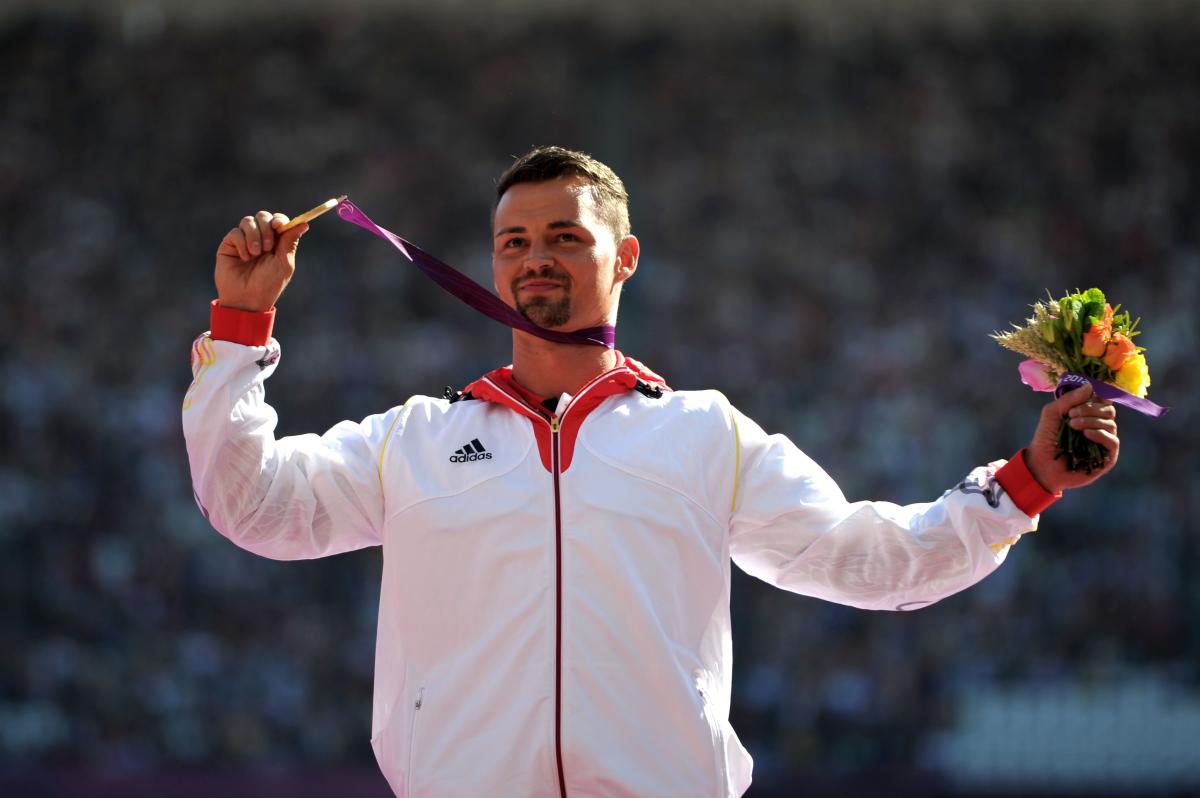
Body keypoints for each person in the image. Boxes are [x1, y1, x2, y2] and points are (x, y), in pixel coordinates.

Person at [183, 146, 1119, 798]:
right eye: (514, 241)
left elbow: (872, 560)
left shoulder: (705, 437)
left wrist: (1027, 479)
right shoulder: (413, 441)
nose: (535, 257)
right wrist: (240, 329)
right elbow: (248, 505)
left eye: (565, 236)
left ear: (624, 257)